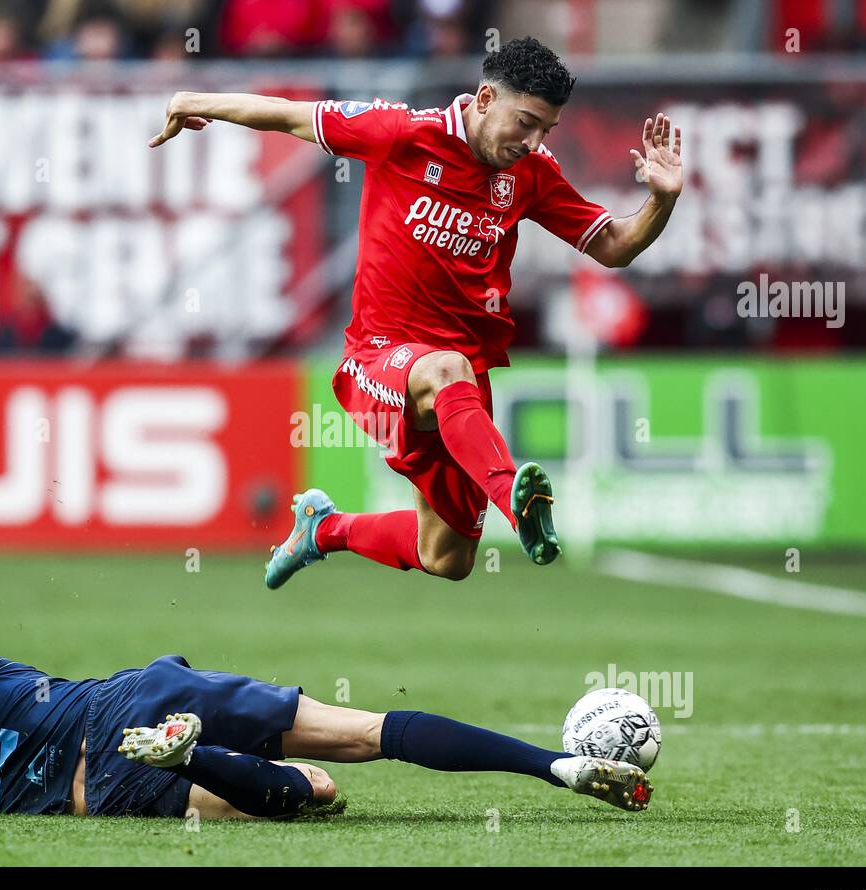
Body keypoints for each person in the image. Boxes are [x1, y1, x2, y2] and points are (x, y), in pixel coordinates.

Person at [147, 37, 683, 587]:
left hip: (459, 392)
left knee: (447, 557)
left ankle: (322, 530)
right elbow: (288, 116)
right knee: (444, 367)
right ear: (483, 99)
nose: (534, 140)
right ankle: (513, 500)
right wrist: (193, 99)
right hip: (375, 361)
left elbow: (613, 246)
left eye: (546, 129)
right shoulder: (402, 133)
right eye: (525, 122)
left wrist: (661, 200)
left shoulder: (532, 173)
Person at [0, 640, 654, 819]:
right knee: (361, 734)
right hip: (143, 690)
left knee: (317, 795)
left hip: (114, 782)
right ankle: (552, 766)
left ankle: (195, 754)